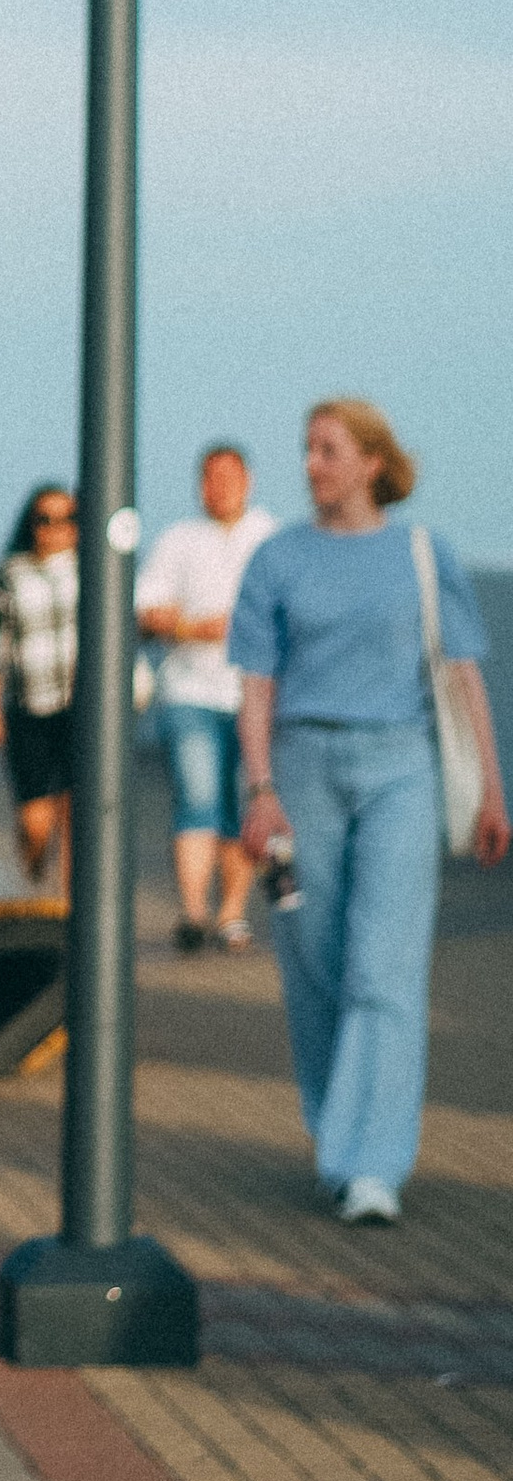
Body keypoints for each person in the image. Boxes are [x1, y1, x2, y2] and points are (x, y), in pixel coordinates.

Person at [232, 398, 506, 1226]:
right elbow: (254, 686)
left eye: (329, 449)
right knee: (314, 964)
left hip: (401, 766)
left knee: (382, 967)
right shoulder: (276, 560)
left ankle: (373, 1164)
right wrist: (258, 788)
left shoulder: (423, 554)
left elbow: (462, 674)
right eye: (308, 448)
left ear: (373, 463)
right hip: (303, 767)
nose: (312, 463)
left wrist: (493, 784)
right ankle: (335, 1137)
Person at [137, 444, 277, 950]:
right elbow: (147, 610)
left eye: (229, 477)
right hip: (189, 690)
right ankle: (194, 912)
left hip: (253, 694)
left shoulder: (271, 537)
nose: (219, 488)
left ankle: (232, 913)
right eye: (210, 478)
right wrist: (194, 627)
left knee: (243, 801)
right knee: (198, 798)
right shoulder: (179, 539)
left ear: (249, 481)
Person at [0, 483, 79, 892]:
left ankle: (72, 917)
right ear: (31, 524)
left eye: (66, 519)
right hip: (29, 709)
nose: (56, 529)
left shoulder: (92, 570)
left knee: (76, 817)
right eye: (45, 519)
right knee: (36, 821)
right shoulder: (10, 575)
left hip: (78, 708)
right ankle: (34, 871)